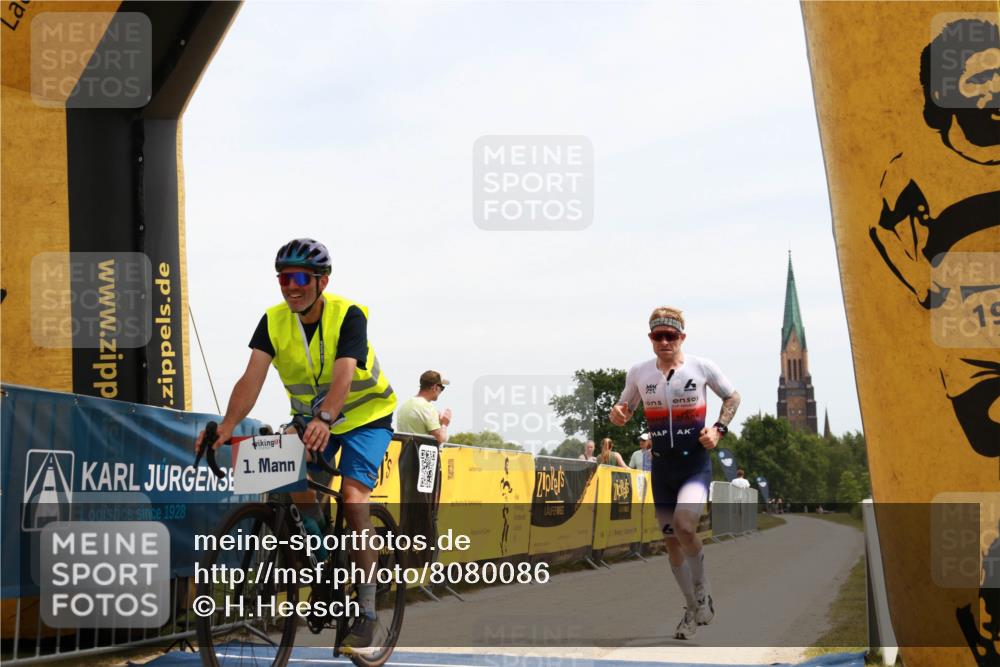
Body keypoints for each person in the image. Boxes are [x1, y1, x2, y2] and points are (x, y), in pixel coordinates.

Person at [194, 238, 397, 652]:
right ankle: (323, 557)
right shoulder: (273, 321)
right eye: (284, 278)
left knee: (354, 499)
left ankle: (368, 610)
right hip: (311, 418)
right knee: (282, 469)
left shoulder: (348, 315)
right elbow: (251, 378)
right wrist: (225, 426)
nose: (292, 286)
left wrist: (327, 417)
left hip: (363, 415)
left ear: (322, 281)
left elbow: (344, 374)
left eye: (301, 277)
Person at [610, 306, 740, 640]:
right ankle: (690, 608)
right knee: (671, 539)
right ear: (651, 339)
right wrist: (618, 415)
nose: (665, 341)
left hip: (694, 463)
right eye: (659, 336)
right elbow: (624, 407)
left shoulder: (702, 367)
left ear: (682, 337)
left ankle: (703, 587)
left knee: (684, 526)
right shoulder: (639, 372)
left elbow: (733, 395)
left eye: (671, 336)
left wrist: (719, 429)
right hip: (662, 466)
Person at [396, 370, 452, 443]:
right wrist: (444, 424)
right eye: (442, 388)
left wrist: (438, 423)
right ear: (435, 387)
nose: (441, 391)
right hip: (419, 453)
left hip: (405, 453)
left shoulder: (403, 406)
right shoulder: (428, 408)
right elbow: (440, 439)